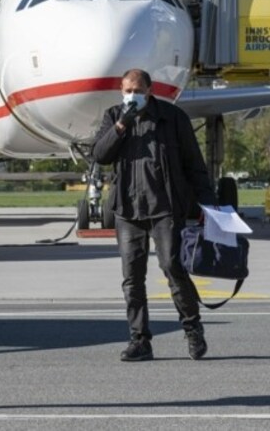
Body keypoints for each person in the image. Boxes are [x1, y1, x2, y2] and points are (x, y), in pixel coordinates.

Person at [93, 68, 218, 362]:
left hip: (165, 208)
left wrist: (210, 205)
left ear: (149, 90)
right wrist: (121, 126)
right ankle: (139, 340)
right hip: (127, 210)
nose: (131, 95)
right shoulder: (114, 117)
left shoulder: (173, 119)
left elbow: (194, 165)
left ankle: (192, 329)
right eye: (126, 90)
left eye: (136, 90)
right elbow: (99, 154)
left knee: (173, 267)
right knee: (132, 278)